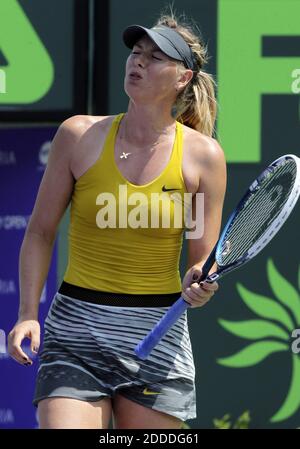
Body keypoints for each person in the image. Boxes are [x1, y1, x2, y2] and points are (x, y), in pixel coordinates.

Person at [7, 13, 226, 429]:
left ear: (182, 79)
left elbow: (201, 258)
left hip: (158, 339)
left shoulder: (203, 158)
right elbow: (39, 231)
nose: (137, 62)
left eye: (155, 57)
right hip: (76, 334)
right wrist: (26, 313)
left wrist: (200, 282)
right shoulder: (77, 136)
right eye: (136, 52)